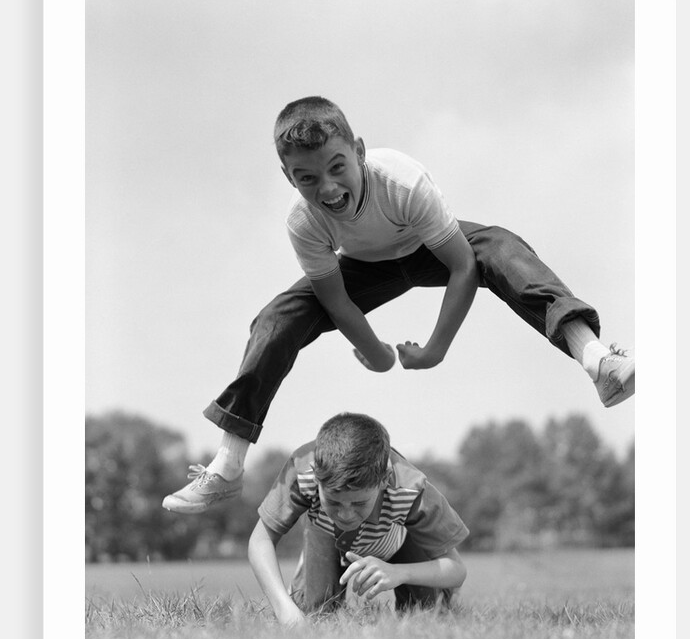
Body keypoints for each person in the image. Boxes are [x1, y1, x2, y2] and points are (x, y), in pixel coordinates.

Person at [162, 96, 634, 514]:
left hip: (430, 249)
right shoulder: (303, 221)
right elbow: (336, 301)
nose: (327, 188)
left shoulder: (402, 181)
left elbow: (462, 266)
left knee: (502, 247)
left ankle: (598, 361)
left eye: (337, 168)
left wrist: (433, 350)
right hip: (364, 270)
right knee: (276, 318)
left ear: (359, 151)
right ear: (289, 177)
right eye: (307, 178)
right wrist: (377, 353)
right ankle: (228, 464)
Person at [247, 412, 469, 625]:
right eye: (333, 502)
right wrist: (284, 609)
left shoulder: (411, 489)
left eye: (359, 503)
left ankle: (442, 595)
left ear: (385, 480)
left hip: (399, 540)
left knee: (425, 613)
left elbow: (456, 569)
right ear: (316, 477)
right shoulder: (301, 469)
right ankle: (306, 583)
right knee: (316, 612)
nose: (346, 514)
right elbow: (260, 540)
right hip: (326, 533)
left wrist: (400, 573)